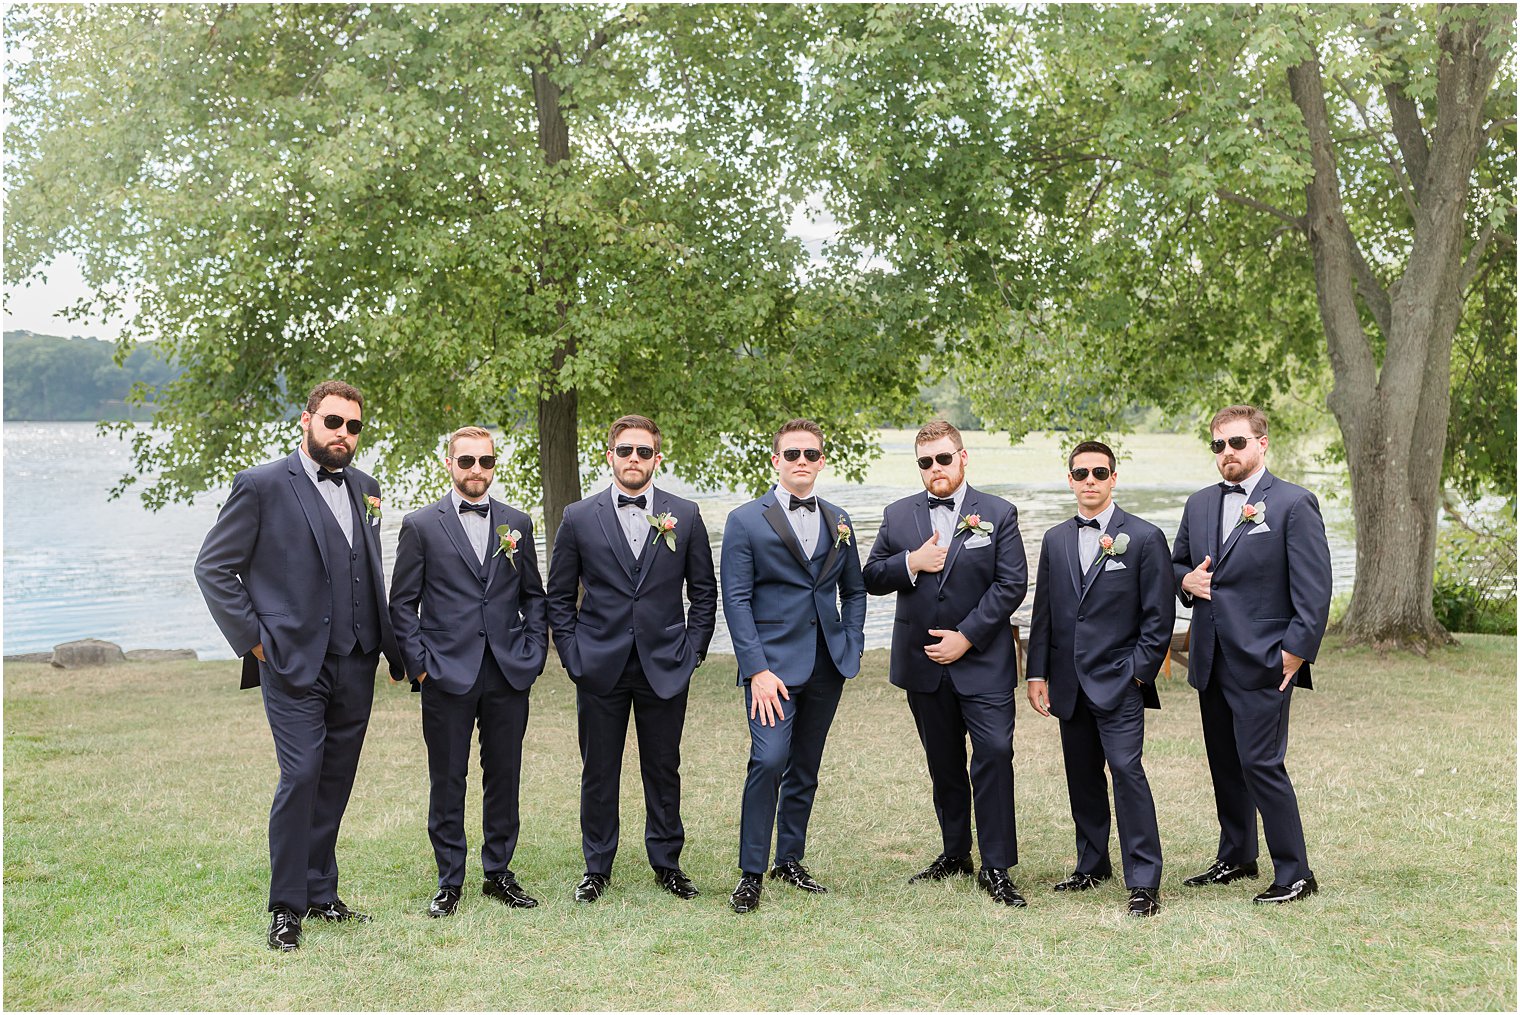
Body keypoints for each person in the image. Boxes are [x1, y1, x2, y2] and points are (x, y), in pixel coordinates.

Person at [194, 380, 401, 951]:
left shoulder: (366, 487)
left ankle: (320, 891)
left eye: (353, 426)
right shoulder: (260, 485)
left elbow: (368, 571)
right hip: (291, 663)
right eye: (333, 422)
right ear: (306, 421)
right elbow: (213, 568)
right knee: (302, 774)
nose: (343, 434)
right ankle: (286, 907)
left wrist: (388, 646)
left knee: (335, 778)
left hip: (356, 660)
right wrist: (256, 642)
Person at [546, 414, 717, 904]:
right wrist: (573, 654)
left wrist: (693, 651)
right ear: (610, 456)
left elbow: (703, 593)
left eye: (644, 452)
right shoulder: (579, 517)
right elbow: (558, 596)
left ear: (657, 458)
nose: (634, 459)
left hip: (666, 664)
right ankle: (596, 867)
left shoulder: (684, 514)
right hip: (599, 664)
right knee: (598, 769)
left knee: (663, 767)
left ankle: (667, 863)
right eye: (625, 451)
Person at [862, 420, 1028, 907]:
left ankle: (996, 867)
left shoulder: (999, 512)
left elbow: (1011, 585)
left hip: (982, 662)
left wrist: (967, 637)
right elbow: (871, 576)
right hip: (923, 666)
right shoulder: (897, 516)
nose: (935, 468)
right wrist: (910, 562)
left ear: (962, 457)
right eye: (925, 462)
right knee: (944, 763)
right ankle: (956, 852)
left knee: (995, 753)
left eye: (943, 458)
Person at [1172, 405, 1332, 904]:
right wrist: (1184, 581)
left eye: (1236, 443)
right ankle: (1237, 855)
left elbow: (1314, 590)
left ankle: (1296, 873)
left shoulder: (1292, 503)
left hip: (1266, 657)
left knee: (1261, 763)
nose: (1227, 454)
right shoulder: (1198, 504)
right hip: (1211, 657)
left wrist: (1295, 653)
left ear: (1262, 443)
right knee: (1224, 761)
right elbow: (1178, 563)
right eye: (1218, 445)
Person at [389, 426, 548, 917]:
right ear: (449, 464)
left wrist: (533, 652)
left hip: (506, 673)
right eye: (466, 461)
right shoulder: (421, 525)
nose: (476, 470)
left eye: (485, 461)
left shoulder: (516, 523)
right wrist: (419, 668)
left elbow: (534, 598)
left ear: (493, 465)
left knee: (504, 775)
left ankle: (499, 873)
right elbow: (402, 604)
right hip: (445, 674)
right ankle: (450, 879)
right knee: (448, 779)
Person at [720, 418, 866, 914]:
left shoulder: (840, 518)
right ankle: (750, 873)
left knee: (805, 766)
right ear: (776, 460)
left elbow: (855, 590)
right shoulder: (745, 520)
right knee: (769, 760)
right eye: (792, 454)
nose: (801, 461)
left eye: (811, 454)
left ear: (821, 461)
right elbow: (736, 600)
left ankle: (791, 860)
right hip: (772, 670)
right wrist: (756, 668)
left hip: (828, 662)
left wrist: (854, 641)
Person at [1025, 440, 1175, 917]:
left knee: (1127, 774)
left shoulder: (1146, 538)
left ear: (1114, 478)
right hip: (1068, 683)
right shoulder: (1055, 539)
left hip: (1119, 681)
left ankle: (1144, 880)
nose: (1090, 480)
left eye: (1099, 472)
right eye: (1081, 472)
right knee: (1081, 777)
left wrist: (1137, 674)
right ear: (1070, 479)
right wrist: (1036, 673)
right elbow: (1044, 612)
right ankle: (1091, 865)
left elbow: (1159, 617)